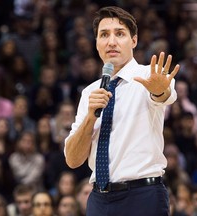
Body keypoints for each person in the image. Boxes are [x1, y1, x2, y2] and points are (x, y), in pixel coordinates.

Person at [64, 6, 180, 216]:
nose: (111, 42)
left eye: (120, 34)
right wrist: (90, 116)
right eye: (104, 35)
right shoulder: (90, 92)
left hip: (143, 196)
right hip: (99, 199)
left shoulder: (149, 76)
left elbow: (165, 95)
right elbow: (73, 160)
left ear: (133, 41)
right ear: (97, 43)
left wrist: (160, 90)